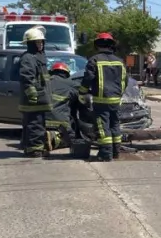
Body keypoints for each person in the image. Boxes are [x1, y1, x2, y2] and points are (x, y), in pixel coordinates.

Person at [79, 33, 126, 161]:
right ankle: (116, 152)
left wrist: (82, 93)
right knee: (115, 125)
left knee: (102, 126)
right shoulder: (120, 61)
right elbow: (124, 81)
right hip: (116, 100)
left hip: (101, 100)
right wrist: (119, 94)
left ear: (97, 44)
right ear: (111, 45)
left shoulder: (94, 60)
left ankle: (105, 154)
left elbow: (88, 78)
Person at [18, 27, 51, 158]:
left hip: (40, 98)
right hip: (34, 99)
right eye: (37, 42)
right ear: (30, 43)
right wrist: (33, 94)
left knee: (36, 124)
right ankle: (34, 150)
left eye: (42, 42)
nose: (40, 44)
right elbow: (26, 77)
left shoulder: (38, 57)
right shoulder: (28, 58)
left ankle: (32, 147)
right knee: (35, 125)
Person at [44, 61, 77, 152]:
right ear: (66, 73)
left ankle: (44, 138)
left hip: (41, 119)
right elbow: (80, 93)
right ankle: (55, 138)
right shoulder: (70, 83)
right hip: (60, 121)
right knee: (72, 140)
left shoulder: (44, 82)